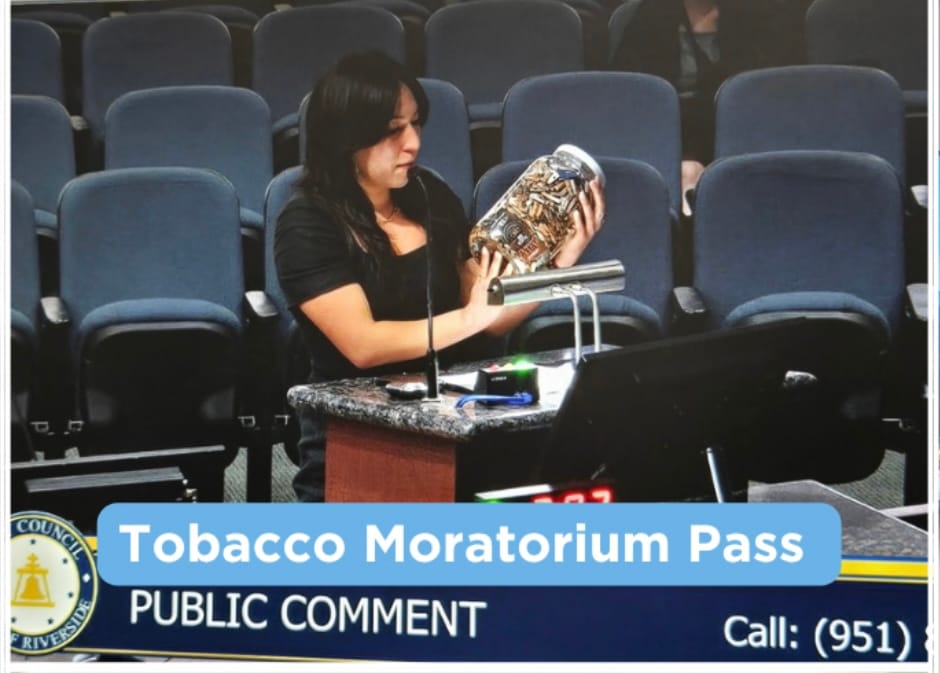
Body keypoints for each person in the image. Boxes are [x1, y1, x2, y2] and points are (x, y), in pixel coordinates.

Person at [275, 52, 605, 501]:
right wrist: (471, 316)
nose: (412, 143)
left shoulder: (427, 192)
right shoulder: (306, 222)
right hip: (358, 435)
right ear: (346, 138)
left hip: (456, 417)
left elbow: (490, 313)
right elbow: (364, 345)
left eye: (415, 125)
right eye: (394, 130)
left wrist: (557, 263)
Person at [610, 0, 783, 212]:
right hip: (668, 135)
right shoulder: (649, 17)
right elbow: (630, 100)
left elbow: (770, 98)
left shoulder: (756, 17)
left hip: (739, 133)